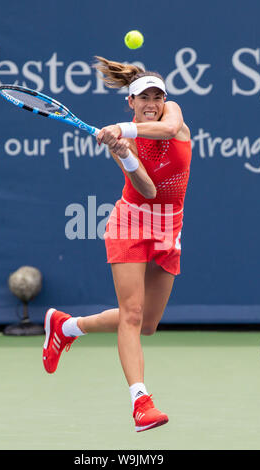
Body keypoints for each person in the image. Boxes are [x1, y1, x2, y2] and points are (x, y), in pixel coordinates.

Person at [42, 56, 192, 433]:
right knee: (132, 313)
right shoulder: (124, 142)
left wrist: (123, 130)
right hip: (130, 223)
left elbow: (170, 127)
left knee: (148, 325)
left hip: (168, 229)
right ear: (131, 101)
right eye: (144, 98)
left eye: (157, 97)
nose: (152, 104)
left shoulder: (173, 117)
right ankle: (141, 402)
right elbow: (148, 189)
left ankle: (67, 327)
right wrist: (123, 151)